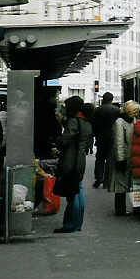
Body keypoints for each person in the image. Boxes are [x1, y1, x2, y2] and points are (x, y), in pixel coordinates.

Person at [53, 96, 93, 233]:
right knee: (78, 190)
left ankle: (70, 224)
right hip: (80, 160)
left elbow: (65, 141)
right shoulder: (86, 123)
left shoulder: (73, 122)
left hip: (70, 160)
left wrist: (56, 139)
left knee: (72, 193)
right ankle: (78, 223)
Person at [109, 100, 140, 216]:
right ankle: (120, 210)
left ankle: (132, 208)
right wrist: (120, 159)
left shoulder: (132, 120)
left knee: (130, 184)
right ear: (128, 111)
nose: (136, 114)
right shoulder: (119, 122)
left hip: (131, 157)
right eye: (134, 111)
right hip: (123, 158)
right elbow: (119, 143)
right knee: (120, 185)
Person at [92, 92, 120, 188]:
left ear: (103, 99)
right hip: (113, 137)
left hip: (100, 137)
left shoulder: (97, 110)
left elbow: (94, 125)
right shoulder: (117, 110)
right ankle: (108, 179)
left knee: (99, 158)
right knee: (110, 158)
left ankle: (99, 178)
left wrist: (95, 135)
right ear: (112, 100)